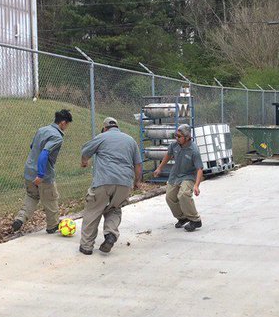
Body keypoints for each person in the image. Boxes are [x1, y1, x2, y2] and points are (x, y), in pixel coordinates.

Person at [77, 117, 143, 256]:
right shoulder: (130, 140)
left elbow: (85, 151)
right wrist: (137, 182)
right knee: (115, 208)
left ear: (105, 128)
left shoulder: (102, 137)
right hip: (124, 183)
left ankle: (87, 247)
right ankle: (111, 235)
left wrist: (84, 162)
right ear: (117, 127)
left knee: (93, 211)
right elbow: (138, 164)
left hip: (104, 181)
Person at [12, 109, 73, 233]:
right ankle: (53, 225)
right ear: (63, 123)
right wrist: (40, 174)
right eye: (67, 124)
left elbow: (32, 146)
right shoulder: (57, 137)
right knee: (51, 199)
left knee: (32, 196)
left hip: (29, 171)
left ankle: (20, 219)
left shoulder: (41, 130)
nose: (67, 127)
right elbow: (44, 153)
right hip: (43, 175)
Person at [156, 124, 204, 232]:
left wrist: (196, 185)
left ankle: (195, 220)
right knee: (170, 197)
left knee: (184, 195)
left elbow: (199, 169)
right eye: (175, 136)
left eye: (179, 136)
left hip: (188, 176)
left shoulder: (194, 150)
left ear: (187, 138)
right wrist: (159, 168)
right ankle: (182, 217)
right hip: (175, 175)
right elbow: (168, 155)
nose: (176, 138)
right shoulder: (174, 145)